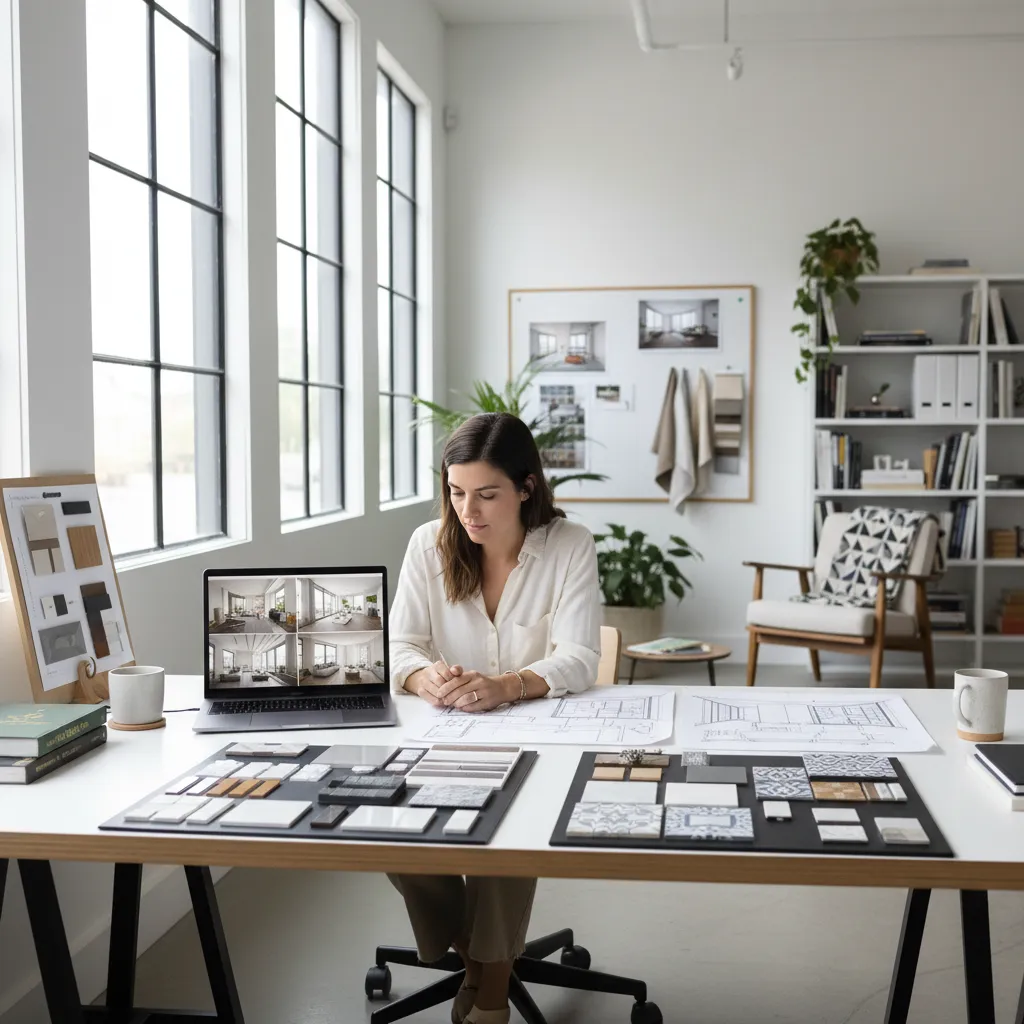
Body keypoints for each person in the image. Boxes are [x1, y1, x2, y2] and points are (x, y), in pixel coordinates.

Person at [388, 412, 601, 1024]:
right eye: (456, 492)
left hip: (540, 735)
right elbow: (400, 645)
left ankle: (490, 988)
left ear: (526, 487)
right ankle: (477, 955)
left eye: (486, 494)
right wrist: (422, 675)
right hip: (442, 731)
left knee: (509, 823)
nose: (468, 511)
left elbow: (581, 656)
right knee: (383, 821)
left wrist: (511, 685)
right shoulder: (427, 545)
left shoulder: (569, 544)